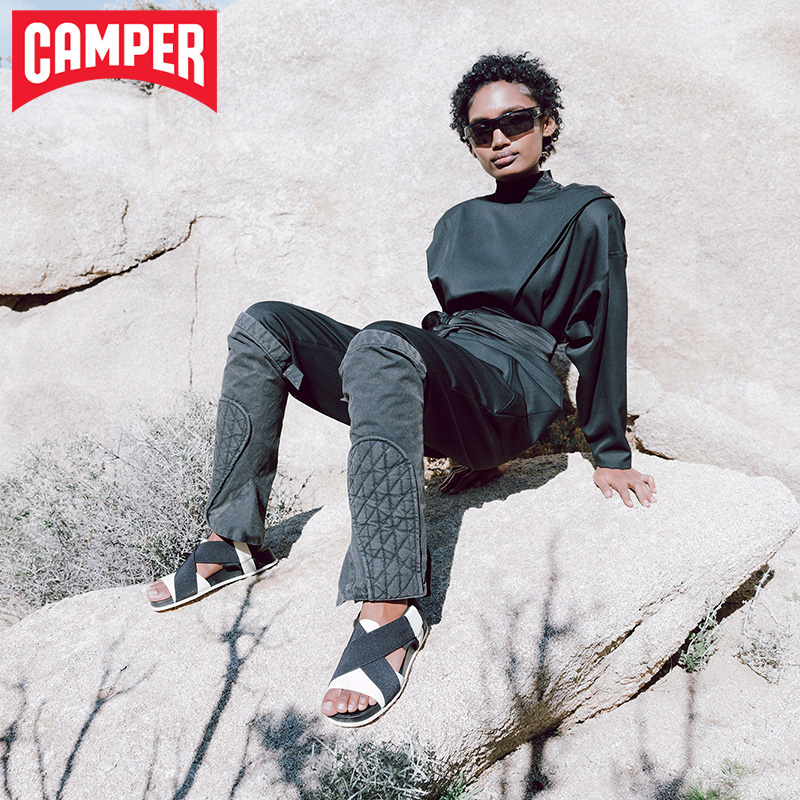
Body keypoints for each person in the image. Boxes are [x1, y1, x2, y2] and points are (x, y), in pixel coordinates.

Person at [146, 52, 657, 728]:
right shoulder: (456, 222)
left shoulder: (587, 213)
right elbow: (451, 334)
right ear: (469, 141)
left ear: (548, 123)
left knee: (385, 342)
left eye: (516, 121)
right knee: (264, 325)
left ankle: (390, 609)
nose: (500, 139)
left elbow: (603, 327)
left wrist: (610, 453)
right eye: (482, 130)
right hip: (453, 372)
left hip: (518, 384)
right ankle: (231, 540)